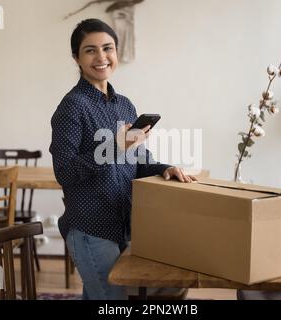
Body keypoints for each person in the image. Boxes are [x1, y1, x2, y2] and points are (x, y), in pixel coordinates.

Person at [49, 18, 196, 300]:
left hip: (124, 225)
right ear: (76, 58)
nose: (101, 57)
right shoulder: (71, 107)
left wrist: (166, 168)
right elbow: (64, 173)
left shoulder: (125, 105)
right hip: (90, 228)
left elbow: (139, 162)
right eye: (90, 50)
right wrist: (113, 147)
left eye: (108, 48)